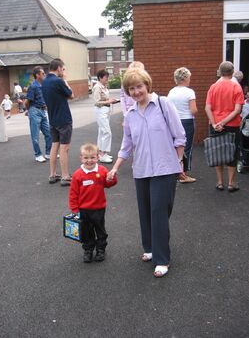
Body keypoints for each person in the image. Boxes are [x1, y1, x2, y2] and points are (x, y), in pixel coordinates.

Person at [107, 68, 186, 278]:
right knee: (146, 212)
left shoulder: (163, 104)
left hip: (165, 168)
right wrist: (115, 167)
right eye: (131, 88)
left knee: (159, 212)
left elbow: (179, 136)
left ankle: (162, 259)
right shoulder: (131, 114)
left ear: (147, 85)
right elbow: (127, 144)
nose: (136, 92)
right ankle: (150, 248)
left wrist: (178, 161)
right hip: (141, 169)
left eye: (139, 86)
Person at [69, 143, 117, 263]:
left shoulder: (102, 170)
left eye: (92, 157)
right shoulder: (77, 175)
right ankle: (88, 250)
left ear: (98, 157)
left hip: (99, 208)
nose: (89, 161)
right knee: (86, 232)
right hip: (83, 210)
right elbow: (73, 193)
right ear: (81, 158)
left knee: (100, 230)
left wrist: (112, 178)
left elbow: (108, 184)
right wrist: (75, 209)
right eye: (86, 158)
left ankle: (101, 249)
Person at [205, 61, 244, 192]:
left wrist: (216, 123)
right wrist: (224, 122)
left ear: (220, 72)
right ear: (232, 73)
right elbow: (237, 110)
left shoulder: (213, 87)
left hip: (215, 125)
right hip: (232, 125)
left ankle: (220, 182)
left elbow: (207, 108)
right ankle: (231, 184)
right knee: (232, 153)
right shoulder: (236, 87)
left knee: (217, 151)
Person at [42, 58, 74, 186]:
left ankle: (53, 174)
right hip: (63, 119)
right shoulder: (59, 81)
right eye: (63, 69)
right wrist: (65, 81)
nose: (63, 71)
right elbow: (71, 95)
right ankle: (65, 177)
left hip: (52, 119)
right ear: (59, 68)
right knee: (64, 148)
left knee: (55, 145)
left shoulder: (44, 82)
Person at [168, 67, 198, 183]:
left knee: (175, 147)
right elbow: (193, 110)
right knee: (187, 147)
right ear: (185, 78)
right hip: (187, 121)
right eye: (189, 77)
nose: (190, 79)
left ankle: (176, 171)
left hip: (174, 121)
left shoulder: (172, 92)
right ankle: (184, 174)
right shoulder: (189, 92)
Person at [24, 66, 52, 163]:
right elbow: (27, 102)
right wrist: (29, 111)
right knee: (35, 136)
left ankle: (48, 153)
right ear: (37, 75)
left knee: (48, 133)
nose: (44, 74)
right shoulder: (33, 86)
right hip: (35, 111)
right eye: (43, 73)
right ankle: (38, 155)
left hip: (43, 111)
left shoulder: (43, 85)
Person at [92, 69, 119, 163]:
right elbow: (96, 102)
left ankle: (101, 153)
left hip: (106, 110)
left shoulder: (104, 86)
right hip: (101, 110)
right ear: (100, 78)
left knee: (102, 132)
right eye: (106, 77)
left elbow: (105, 98)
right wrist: (109, 101)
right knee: (107, 132)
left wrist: (111, 100)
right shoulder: (97, 87)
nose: (107, 79)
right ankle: (103, 154)